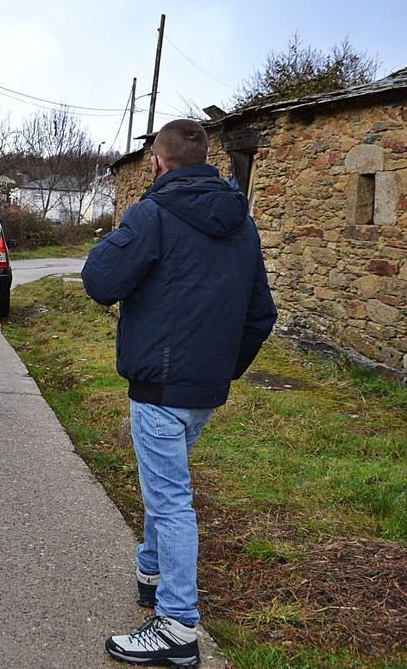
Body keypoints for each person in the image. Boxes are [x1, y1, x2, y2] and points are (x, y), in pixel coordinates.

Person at [81, 119, 277, 667]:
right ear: (206, 160)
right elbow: (262, 314)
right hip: (204, 391)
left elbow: (98, 282)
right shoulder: (243, 224)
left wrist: (118, 235)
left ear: (156, 163)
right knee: (165, 486)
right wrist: (222, 370)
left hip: (160, 388)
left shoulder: (153, 214)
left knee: (170, 500)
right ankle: (151, 569)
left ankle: (177, 625)